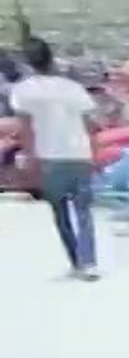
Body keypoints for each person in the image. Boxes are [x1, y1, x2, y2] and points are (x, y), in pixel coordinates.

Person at [7, 39, 103, 280]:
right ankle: (89, 262)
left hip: (49, 156)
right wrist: (95, 154)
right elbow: (90, 125)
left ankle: (76, 262)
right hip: (79, 154)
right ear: (51, 58)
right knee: (83, 212)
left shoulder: (23, 91)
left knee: (61, 213)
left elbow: (26, 128)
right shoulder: (73, 88)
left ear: (27, 62)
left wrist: (30, 159)